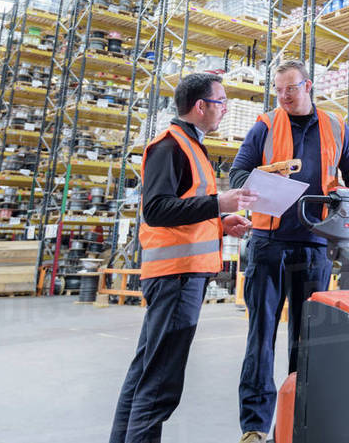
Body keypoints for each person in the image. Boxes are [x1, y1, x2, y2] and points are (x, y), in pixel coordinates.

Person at [231, 61, 349, 443]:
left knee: (306, 337)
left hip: (315, 243)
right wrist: (262, 182)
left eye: (290, 89)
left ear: (307, 86)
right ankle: (254, 425)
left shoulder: (335, 126)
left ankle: (299, 418)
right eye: (278, 90)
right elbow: (238, 173)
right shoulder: (265, 124)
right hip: (268, 242)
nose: (283, 96)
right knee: (260, 334)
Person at [109, 73, 258, 443]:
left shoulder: (192, 145)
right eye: (221, 102)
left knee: (147, 370)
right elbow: (157, 210)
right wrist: (217, 203)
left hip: (180, 276)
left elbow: (185, 211)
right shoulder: (170, 145)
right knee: (160, 382)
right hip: (176, 278)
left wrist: (222, 223)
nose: (225, 109)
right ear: (201, 106)